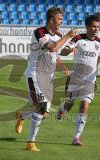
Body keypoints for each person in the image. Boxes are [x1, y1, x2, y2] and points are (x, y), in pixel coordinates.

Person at [15, 7, 77, 151]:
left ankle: (22, 116)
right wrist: (68, 36)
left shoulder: (58, 35)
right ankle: (30, 143)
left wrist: (63, 64)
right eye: (60, 19)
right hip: (35, 74)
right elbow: (52, 48)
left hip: (49, 78)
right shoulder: (40, 32)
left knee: (45, 114)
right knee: (42, 107)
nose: (61, 22)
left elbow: (57, 54)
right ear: (51, 20)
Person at [57, 15, 100, 146]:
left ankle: (76, 137)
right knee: (69, 104)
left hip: (90, 80)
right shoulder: (78, 38)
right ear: (87, 27)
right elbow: (63, 52)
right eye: (93, 26)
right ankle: (62, 109)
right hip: (74, 78)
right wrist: (68, 49)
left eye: (98, 26)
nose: (96, 29)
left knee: (84, 105)